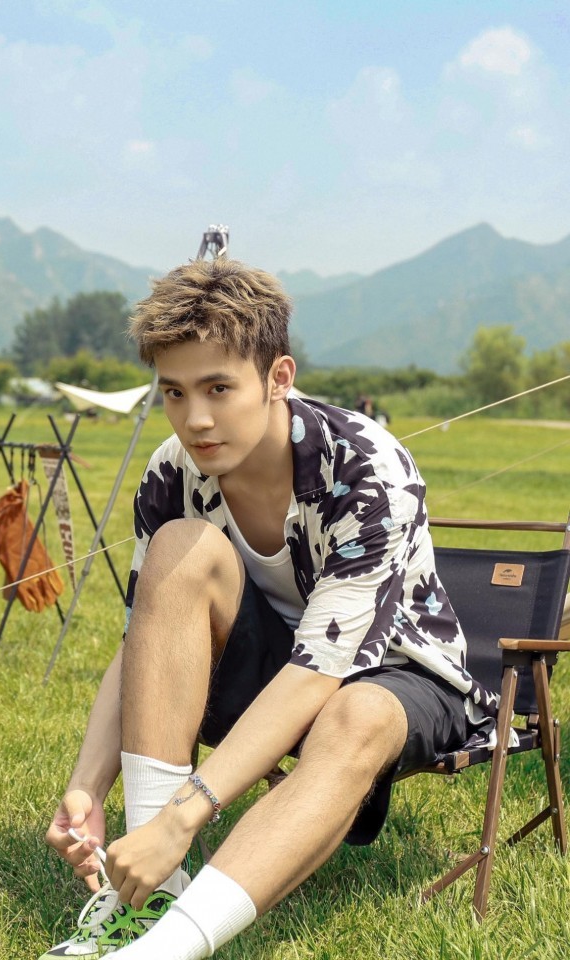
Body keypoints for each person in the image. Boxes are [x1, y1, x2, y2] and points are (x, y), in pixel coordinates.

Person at [41, 259, 497, 960]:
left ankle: (163, 950)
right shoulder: (173, 469)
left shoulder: (365, 467)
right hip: (272, 665)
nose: (195, 419)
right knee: (180, 548)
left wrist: (185, 816)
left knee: (357, 712)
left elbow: (320, 673)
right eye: (174, 392)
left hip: (401, 677)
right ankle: (146, 901)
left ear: (278, 378)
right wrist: (85, 787)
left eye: (219, 388)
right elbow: (142, 644)